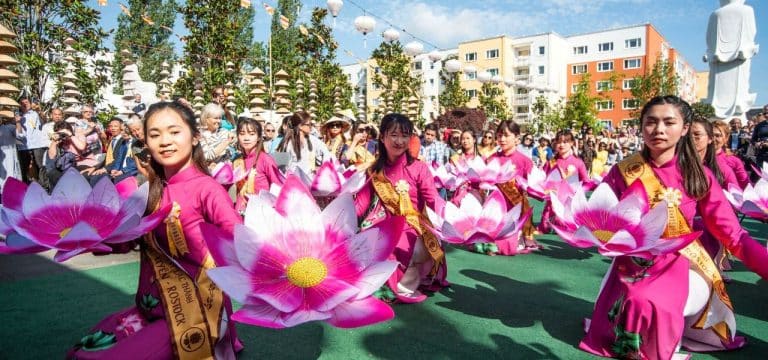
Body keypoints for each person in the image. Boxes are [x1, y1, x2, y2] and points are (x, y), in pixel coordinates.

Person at [579, 95, 768, 359]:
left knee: (650, 303)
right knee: (631, 305)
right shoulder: (623, 170)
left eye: (669, 122)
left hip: (678, 261)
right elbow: (602, 215)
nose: (659, 130)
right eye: (651, 122)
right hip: (632, 260)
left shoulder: (698, 175)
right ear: (641, 126)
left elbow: (733, 234)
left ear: (685, 128)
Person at [67, 101, 243, 359]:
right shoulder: (149, 191)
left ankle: (221, 337)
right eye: (155, 134)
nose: (164, 141)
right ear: (146, 142)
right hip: (152, 307)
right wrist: (89, 237)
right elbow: (124, 241)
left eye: (174, 131)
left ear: (195, 137)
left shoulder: (208, 189)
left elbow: (238, 238)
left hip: (196, 309)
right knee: (83, 353)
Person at [355, 113, 448, 303]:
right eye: (394, 135)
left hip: (415, 226)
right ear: (382, 137)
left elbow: (433, 198)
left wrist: (451, 220)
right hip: (385, 223)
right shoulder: (374, 170)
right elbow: (362, 203)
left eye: (405, 135)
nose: (399, 141)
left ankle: (400, 286)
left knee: (399, 245)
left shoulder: (419, 168)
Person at [488, 120, 538, 251]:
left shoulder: (525, 161)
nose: (502, 139)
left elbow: (534, 187)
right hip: (496, 211)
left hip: (517, 213)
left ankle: (523, 235)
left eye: (506, 135)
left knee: (510, 247)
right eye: (499, 135)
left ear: (517, 138)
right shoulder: (492, 159)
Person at [538, 130, 590, 234]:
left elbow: (586, 182)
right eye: (559, 142)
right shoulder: (551, 162)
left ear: (571, 143)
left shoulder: (578, 162)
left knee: (567, 228)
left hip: (570, 203)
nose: (561, 145)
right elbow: (542, 178)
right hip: (551, 203)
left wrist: (579, 195)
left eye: (565, 142)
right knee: (545, 228)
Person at [232, 118, 283, 214]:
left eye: (251, 134)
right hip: (240, 211)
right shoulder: (237, 161)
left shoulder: (266, 160)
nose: (246, 138)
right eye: (242, 134)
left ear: (259, 137)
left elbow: (278, 187)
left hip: (261, 213)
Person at [44, 121, 88, 188]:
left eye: (64, 133)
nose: (63, 135)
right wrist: (54, 142)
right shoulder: (60, 141)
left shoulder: (78, 135)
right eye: (61, 133)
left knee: (68, 174)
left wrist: (70, 135)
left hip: (82, 164)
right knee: (52, 173)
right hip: (66, 168)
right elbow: (51, 156)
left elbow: (81, 147)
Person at [15, 97, 48, 184]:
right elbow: (19, 134)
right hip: (23, 146)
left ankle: (44, 186)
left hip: (37, 144)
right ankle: (25, 186)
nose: (25, 104)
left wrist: (40, 111)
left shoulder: (36, 113)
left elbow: (44, 122)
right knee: (24, 168)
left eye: (27, 102)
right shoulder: (17, 116)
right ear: (19, 105)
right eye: (22, 103)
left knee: (41, 166)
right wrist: (17, 121)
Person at [713, 120, 750, 189]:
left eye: (718, 136)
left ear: (726, 138)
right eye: (710, 135)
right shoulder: (698, 159)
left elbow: (746, 187)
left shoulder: (734, 161)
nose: (713, 139)